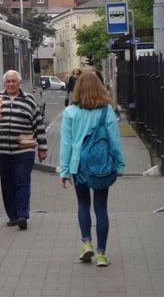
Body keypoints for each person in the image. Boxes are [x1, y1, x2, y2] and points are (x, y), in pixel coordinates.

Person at [59, 72, 125, 267]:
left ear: (78, 88)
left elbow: (66, 144)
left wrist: (63, 171)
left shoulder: (70, 112)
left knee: (82, 204)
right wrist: (120, 164)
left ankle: (86, 243)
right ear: (100, 87)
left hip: (77, 165)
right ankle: (102, 254)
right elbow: (114, 141)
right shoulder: (106, 111)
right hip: (101, 165)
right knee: (101, 207)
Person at [0, 70, 48, 230]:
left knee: (22, 181)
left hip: (24, 151)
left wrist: (43, 148)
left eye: (14, 81)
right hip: (3, 151)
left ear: (19, 83)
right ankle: (12, 216)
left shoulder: (29, 100)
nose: (11, 84)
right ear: (5, 84)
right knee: (7, 183)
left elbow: (38, 125)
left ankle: (22, 215)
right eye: (8, 82)